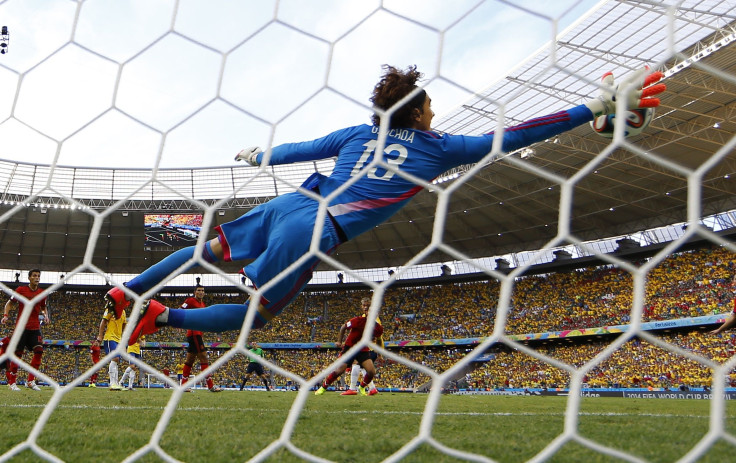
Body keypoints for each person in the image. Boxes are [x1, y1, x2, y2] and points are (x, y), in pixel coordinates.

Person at [100, 64, 665, 343]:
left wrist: (259, 155)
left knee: (204, 248)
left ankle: (130, 289)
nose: (436, 113)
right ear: (417, 114)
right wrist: (592, 106)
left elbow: (302, 148)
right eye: (431, 107)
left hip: (289, 204)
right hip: (314, 230)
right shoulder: (441, 149)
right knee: (257, 314)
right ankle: (164, 315)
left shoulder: (355, 135)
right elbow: (517, 134)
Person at [315, 302, 384, 396]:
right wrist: (339, 341)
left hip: (363, 350)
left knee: (371, 372)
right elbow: (343, 327)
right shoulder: (358, 320)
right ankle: (323, 388)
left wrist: (379, 353)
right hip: (350, 348)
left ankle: (362, 387)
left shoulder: (378, 328)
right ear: (367, 312)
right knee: (339, 371)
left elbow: (379, 340)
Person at [1, 269, 49, 391]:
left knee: (39, 351)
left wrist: (46, 315)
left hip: (35, 328)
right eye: (34, 276)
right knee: (18, 355)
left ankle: (30, 381)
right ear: (29, 278)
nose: (37, 278)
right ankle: (12, 383)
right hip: (21, 328)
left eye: (38, 276)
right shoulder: (21, 290)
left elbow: (43, 307)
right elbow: (9, 304)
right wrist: (6, 316)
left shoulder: (42, 293)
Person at [179, 286, 222, 392]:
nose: (201, 292)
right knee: (204, 358)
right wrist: (179, 324)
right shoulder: (190, 301)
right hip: (194, 333)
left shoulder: (203, 304)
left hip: (198, 333)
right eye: (199, 290)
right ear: (195, 292)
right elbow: (180, 310)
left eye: (202, 290)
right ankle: (210, 386)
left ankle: (183, 386)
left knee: (190, 360)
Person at [343, 297, 384, 396]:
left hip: (369, 348)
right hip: (365, 347)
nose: (365, 307)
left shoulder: (375, 319)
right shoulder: (363, 317)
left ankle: (353, 388)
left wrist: (380, 352)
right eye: (364, 305)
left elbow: (379, 338)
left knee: (357, 364)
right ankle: (372, 388)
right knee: (364, 369)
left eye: (368, 306)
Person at [93, 305, 126, 390]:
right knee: (114, 358)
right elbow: (103, 321)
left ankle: (116, 383)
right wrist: (100, 336)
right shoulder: (110, 309)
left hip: (119, 340)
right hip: (110, 338)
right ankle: (112, 383)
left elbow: (124, 325)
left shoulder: (123, 312)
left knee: (117, 360)